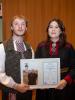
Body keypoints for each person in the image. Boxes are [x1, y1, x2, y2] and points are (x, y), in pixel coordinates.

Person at [35, 18, 75, 100]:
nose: (53, 29)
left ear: (61, 31)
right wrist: (38, 82)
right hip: (44, 89)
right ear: (47, 30)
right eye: (50, 27)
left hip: (63, 87)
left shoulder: (69, 47)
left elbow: (74, 68)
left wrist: (65, 81)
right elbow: (35, 67)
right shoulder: (41, 46)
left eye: (56, 27)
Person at [0, 15, 34, 100]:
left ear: (26, 28)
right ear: (11, 27)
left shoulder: (30, 48)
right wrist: (15, 86)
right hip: (10, 93)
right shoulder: (2, 47)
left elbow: (33, 70)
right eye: (16, 24)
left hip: (27, 93)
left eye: (23, 24)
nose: (20, 26)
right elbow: (0, 73)